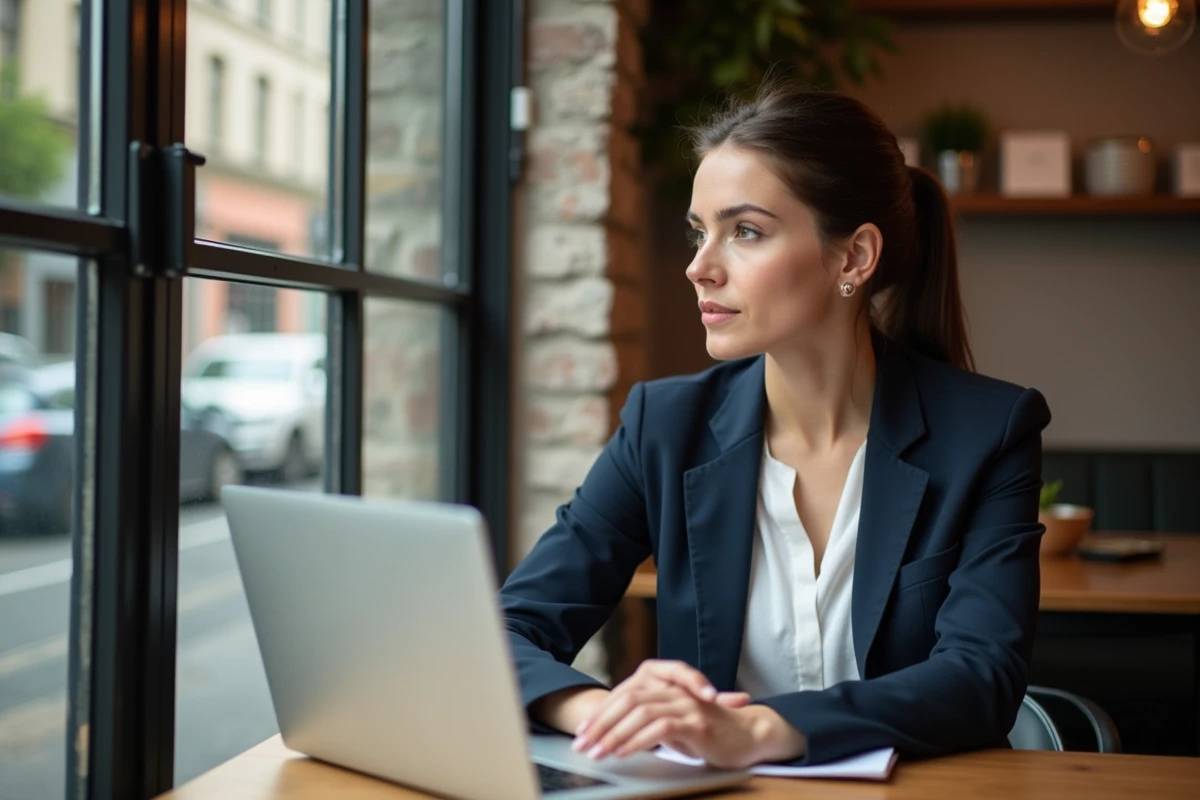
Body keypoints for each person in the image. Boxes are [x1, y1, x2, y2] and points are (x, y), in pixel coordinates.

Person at [499, 82, 1051, 769]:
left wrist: (757, 730)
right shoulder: (664, 427)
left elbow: (980, 679)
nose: (699, 267)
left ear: (853, 257)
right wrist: (610, 714)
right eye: (700, 232)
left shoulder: (988, 432)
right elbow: (507, 630)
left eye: (746, 232)